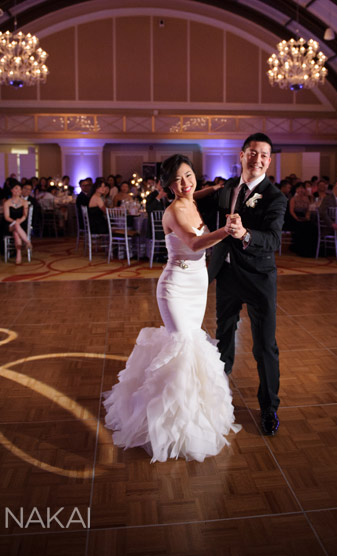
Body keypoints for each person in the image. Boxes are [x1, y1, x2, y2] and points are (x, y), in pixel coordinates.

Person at [104, 154, 240, 463]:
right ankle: (166, 423)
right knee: (182, 346)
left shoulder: (192, 199)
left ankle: (191, 414)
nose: (186, 183)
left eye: (189, 175)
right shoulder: (174, 211)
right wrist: (226, 231)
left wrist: (212, 188)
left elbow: (197, 192)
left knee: (190, 347)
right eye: (178, 180)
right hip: (175, 288)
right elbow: (193, 244)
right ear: (167, 186)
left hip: (197, 286)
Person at [207, 132, 288, 436]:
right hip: (226, 276)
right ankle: (217, 399)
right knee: (223, 339)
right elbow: (209, 200)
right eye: (252, 153)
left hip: (258, 279)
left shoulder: (276, 197)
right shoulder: (229, 187)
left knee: (265, 347)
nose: (258, 159)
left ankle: (269, 409)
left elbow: (274, 240)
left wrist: (245, 234)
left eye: (264, 155)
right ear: (241, 156)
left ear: (269, 161)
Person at [3, 182, 31, 265]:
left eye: (19, 189)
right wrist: (15, 222)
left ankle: (18, 253)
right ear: (11, 190)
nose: (18, 191)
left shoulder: (24, 202)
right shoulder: (7, 203)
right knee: (15, 226)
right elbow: (6, 217)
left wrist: (19, 221)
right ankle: (27, 242)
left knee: (16, 233)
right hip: (10, 224)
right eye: (16, 188)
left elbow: (25, 216)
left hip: (21, 224)